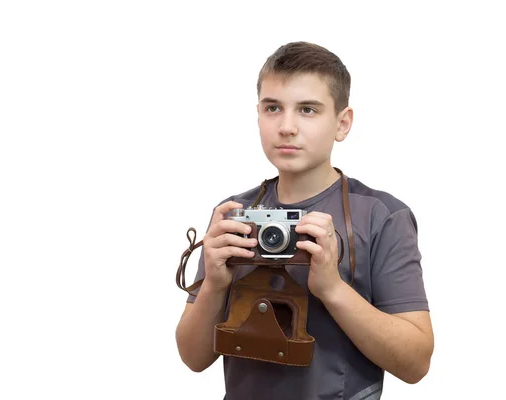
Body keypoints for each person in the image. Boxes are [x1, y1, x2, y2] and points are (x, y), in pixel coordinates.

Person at [175, 41, 434, 400]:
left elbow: (416, 362)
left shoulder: (381, 216)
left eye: (308, 110)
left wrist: (332, 288)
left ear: (342, 123)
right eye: (273, 108)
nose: (286, 126)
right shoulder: (234, 214)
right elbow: (193, 357)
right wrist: (215, 285)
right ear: (258, 115)